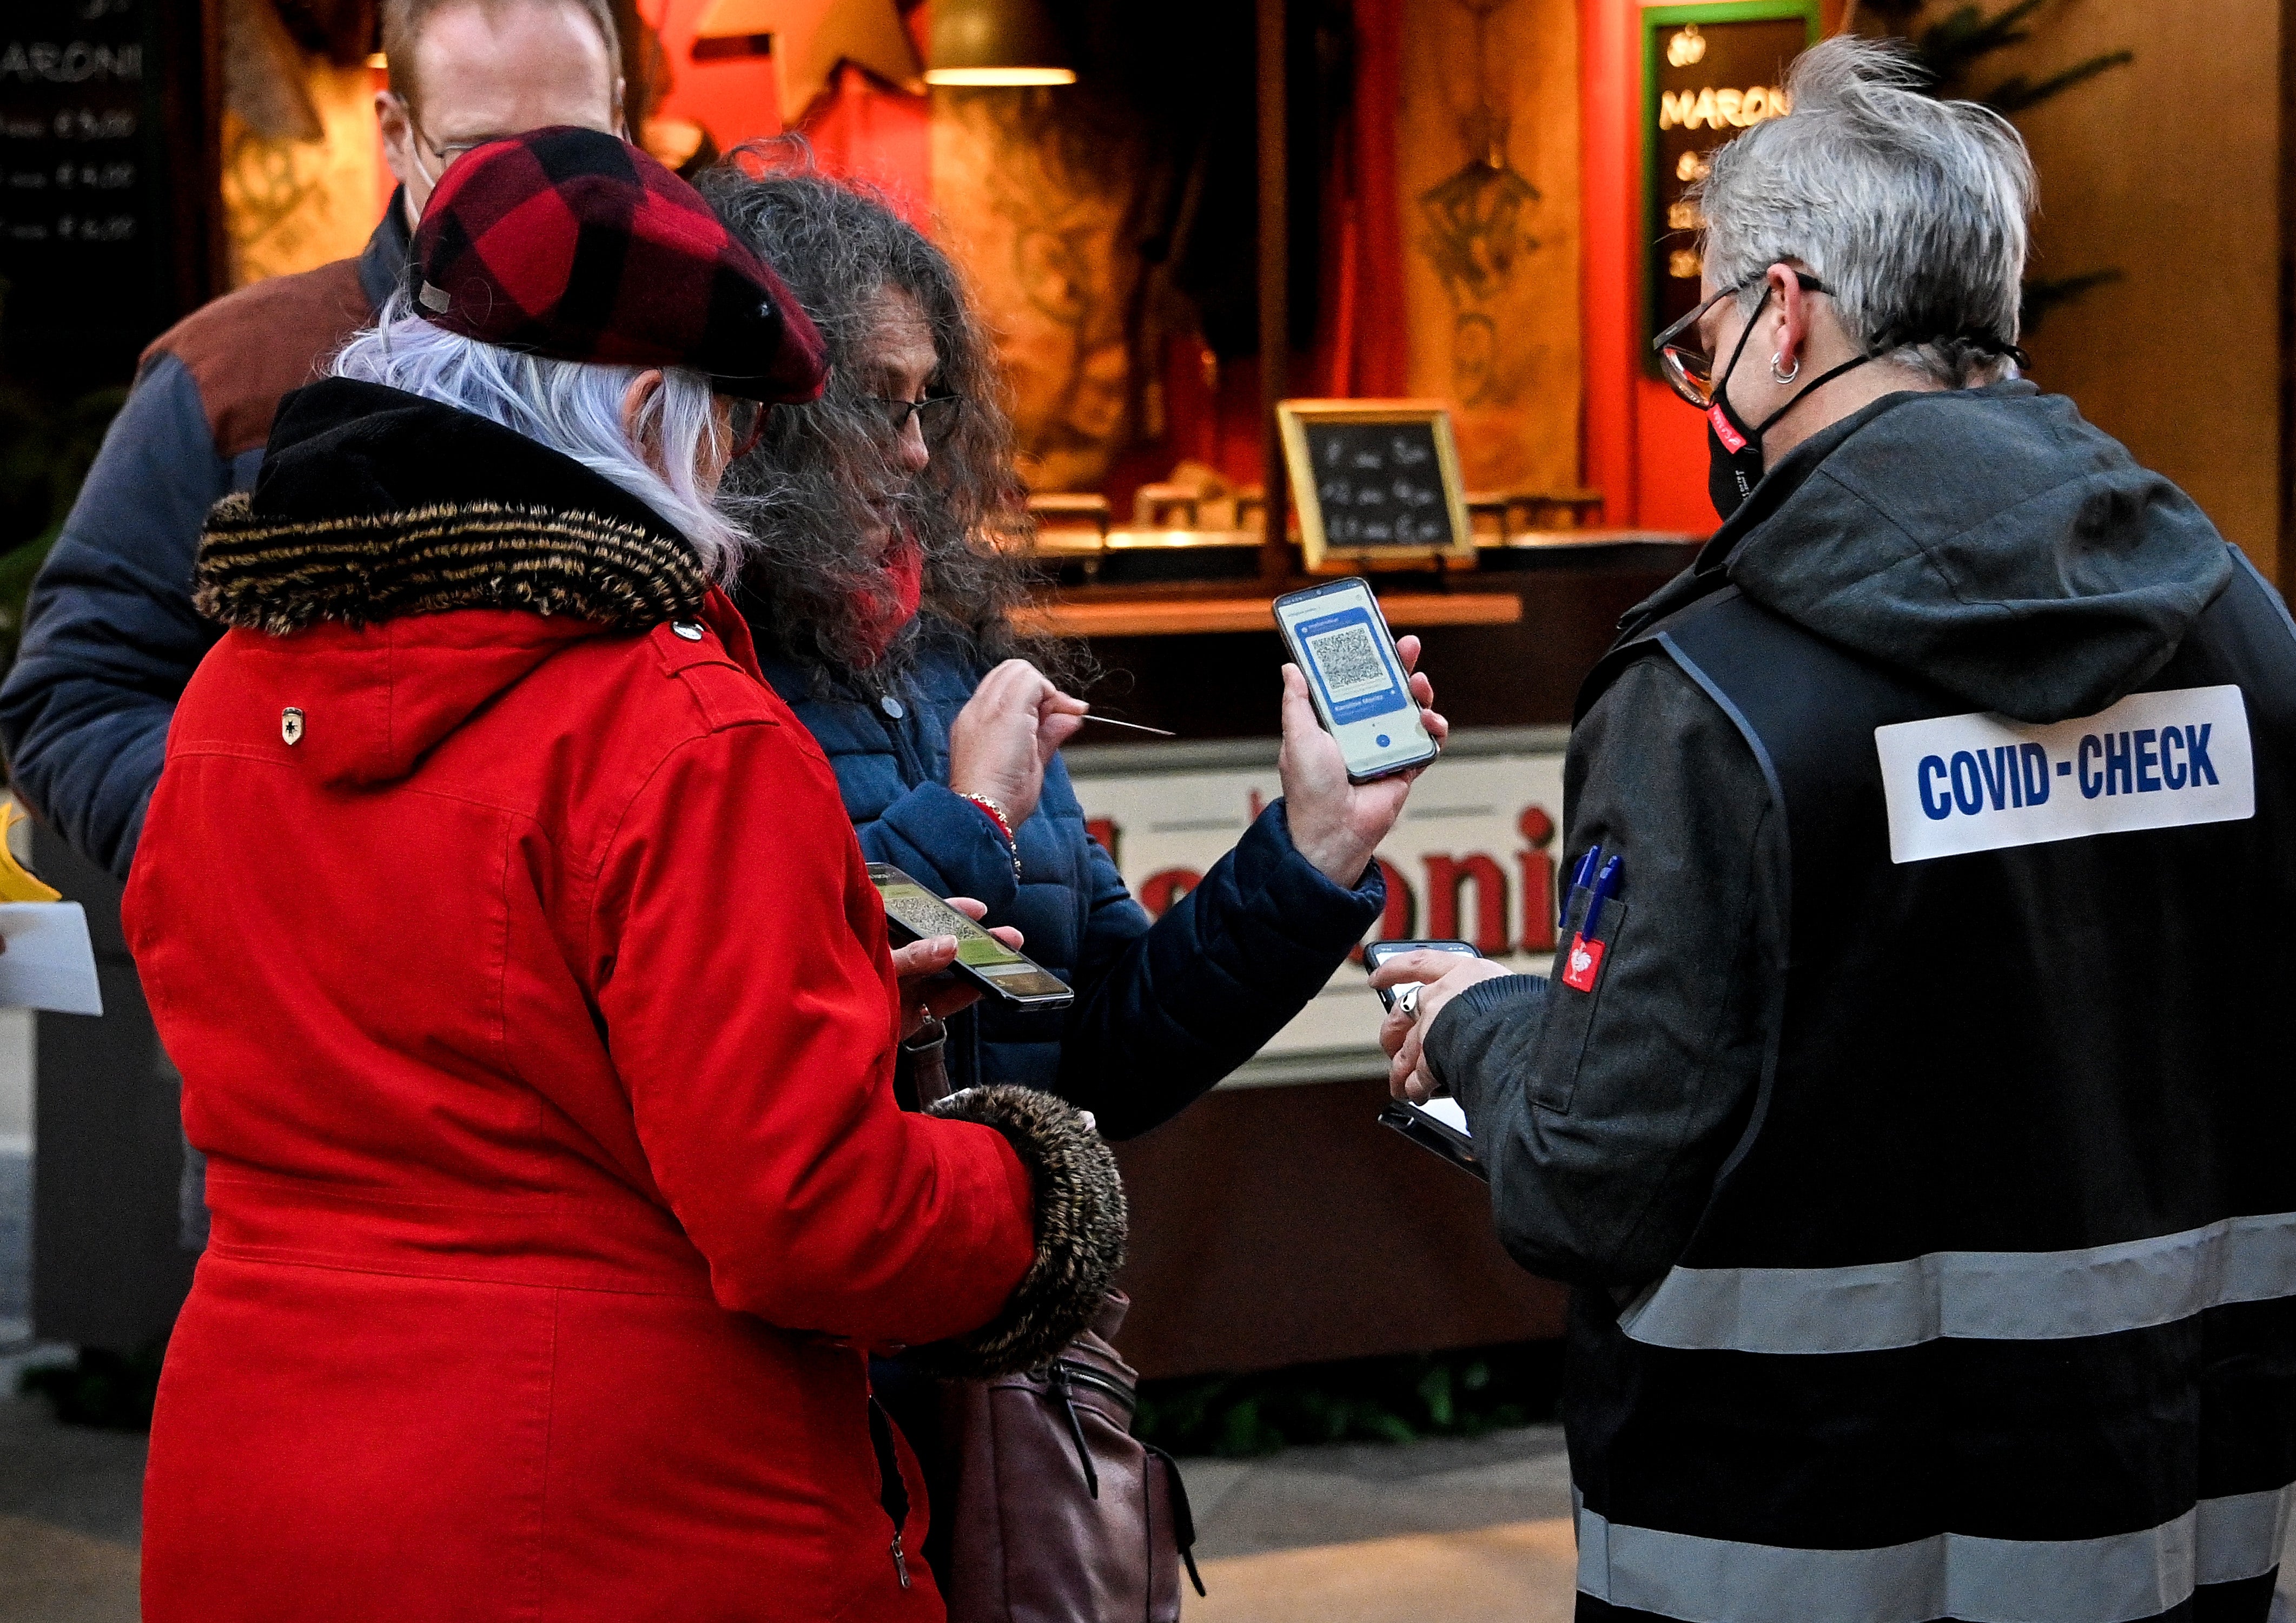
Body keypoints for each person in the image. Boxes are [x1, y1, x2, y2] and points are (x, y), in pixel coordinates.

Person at [1374, 38, 2296, 1623]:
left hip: (1781, 1546)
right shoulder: (2243, 635)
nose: (1706, 363)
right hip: (2164, 1534)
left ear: (1780, 316)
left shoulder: (1704, 691)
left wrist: (1485, 1026)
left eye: (1703, 330)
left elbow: (1587, 1176)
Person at [121, 127, 1124, 1621]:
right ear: (653, 412)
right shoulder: (681, 727)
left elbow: (457, 1049)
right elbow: (813, 1213)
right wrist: (1036, 1191)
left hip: (253, 1490)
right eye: (727, 427)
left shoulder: (221, 702)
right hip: (626, 1522)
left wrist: (824, 993)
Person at [0, 0, 629, 1297]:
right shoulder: (238, 375)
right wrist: (251, 855)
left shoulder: (687, 365)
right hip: (322, 1098)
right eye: (478, 151)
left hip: (641, 1077)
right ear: (393, 134)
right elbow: (71, 692)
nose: (530, 199)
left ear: (626, 127)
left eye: (569, 147)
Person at [696, 155, 1444, 1134]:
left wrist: (1313, 850)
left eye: (927, 402)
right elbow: (757, 1019)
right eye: (877, 402)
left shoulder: (949, 658)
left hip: (999, 1266)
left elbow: (1106, 1051)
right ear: (767, 414)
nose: (916, 450)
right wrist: (972, 817)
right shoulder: (696, 669)